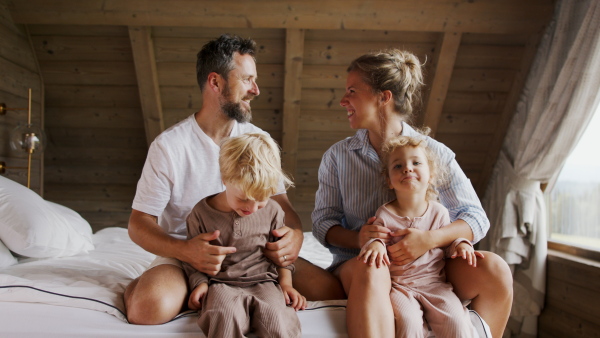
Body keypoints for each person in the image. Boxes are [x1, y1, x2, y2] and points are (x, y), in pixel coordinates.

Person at [310, 49, 513, 337]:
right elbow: (322, 224)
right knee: (374, 266)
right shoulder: (337, 157)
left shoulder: (434, 153)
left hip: (429, 268)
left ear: (384, 97)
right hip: (361, 264)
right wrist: (358, 238)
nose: (343, 100)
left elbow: (476, 218)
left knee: (495, 269)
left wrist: (428, 240)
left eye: (352, 91)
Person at [124, 34, 305, 325]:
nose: (255, 90)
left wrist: (295, 236)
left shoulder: (259, 141)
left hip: (255, 256)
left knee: (333, 289)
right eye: (246, 80)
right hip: (186, 257)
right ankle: (143, 286)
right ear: (215, 82)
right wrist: (185, 251)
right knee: (147, 309)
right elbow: (138, 224)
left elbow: (283, 206)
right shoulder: (170, 146)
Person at [183, 133, 305, 338]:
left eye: (261, 200)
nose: (253, 208)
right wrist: (200, 284)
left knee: (276, 318)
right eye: (243, 199)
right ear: (225, 179)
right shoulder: (201, 214)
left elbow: (282, 257)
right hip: (221, 283)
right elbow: (193, 259)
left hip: (265, 282)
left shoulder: (274, 210)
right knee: (223, 316)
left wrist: (286, 285)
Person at [358, 135, 480, 337]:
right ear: (389, 181)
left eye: (416, 163)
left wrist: (461, 244)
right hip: (400, 287)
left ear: (431, 175)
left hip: (435, 285)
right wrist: (377, 244)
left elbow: (447, 244)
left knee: (457, 321)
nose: (407, 168)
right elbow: (376, 238)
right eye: (398, 166)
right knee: (408, 322)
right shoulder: (384, 214)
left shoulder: (439, 212)